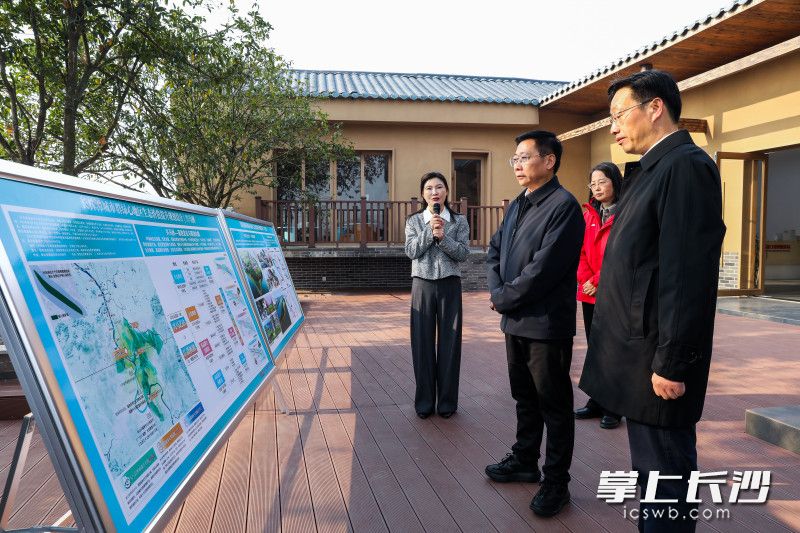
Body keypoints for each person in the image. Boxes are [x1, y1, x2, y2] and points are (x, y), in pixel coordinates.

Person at [579, 70, 726, 532]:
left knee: (665, 474)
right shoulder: (653, 169)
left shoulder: (685, 167)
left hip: (658, 359)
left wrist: (673, 362)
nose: (613, 128)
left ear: (656, 107)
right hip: (639, 352)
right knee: (651, 474)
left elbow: (687, 275)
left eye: (619, 114)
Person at [484, 130, 584, 518]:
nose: (518, 165)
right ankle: (525, 459)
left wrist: (503, 297)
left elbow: (544, 270)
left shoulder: (564, 206)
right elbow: (495, 250)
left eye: (525, 157)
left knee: (553, 404)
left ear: (549, 161)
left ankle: (556, 482)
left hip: (546, 325)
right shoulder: (518, 204)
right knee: (524, 397)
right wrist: (498, 292)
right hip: (515, 321)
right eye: (515, 159)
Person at [404, 171, 470, 419]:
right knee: (422, 343)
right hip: (422, 285)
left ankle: (447, 402)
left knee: (450, 343)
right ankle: (424, 402)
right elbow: (411, 251)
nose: (434, 192)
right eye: (429, 188)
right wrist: (429, 231)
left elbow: (463, 253)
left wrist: (443, 238)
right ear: (423, 194)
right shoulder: (413, 221)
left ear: (446, 192)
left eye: (439, 187)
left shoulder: (459, 221)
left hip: (450, 285)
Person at [574, 162, 623, 430]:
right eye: (593, 183)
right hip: (590, 294)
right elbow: (581, 251)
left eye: (602, 181)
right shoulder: (589, 214)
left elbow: (622, 254)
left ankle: (614, 406)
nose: (597, 187)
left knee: (613, 349)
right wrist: (585, 280)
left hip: (614, 292)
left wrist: (597, 280)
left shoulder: (626, 213)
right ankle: (596, 399)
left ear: (615, 181)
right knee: (595, 348)